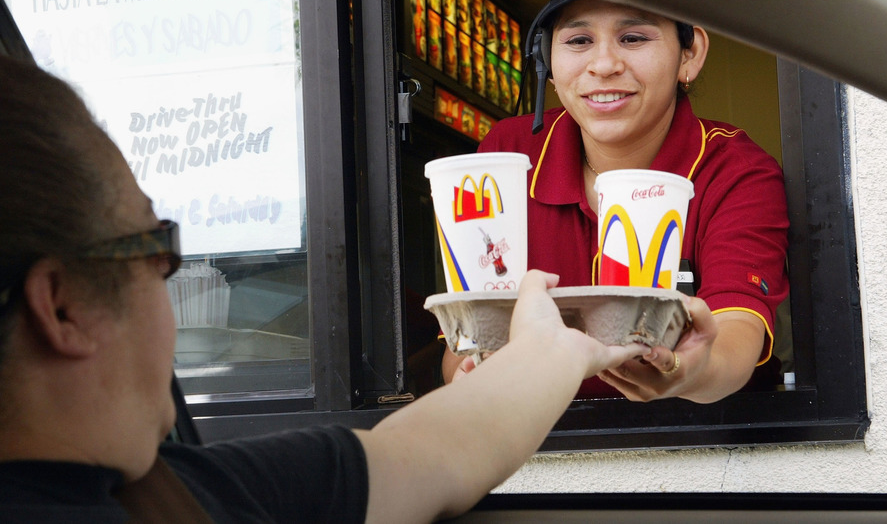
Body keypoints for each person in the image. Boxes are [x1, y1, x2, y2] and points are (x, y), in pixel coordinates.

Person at [0, 54, 680, 521]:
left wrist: (557, 344)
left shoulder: (175, 490)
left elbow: (447, 444)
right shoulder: (195, 498)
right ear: (64, 305)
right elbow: (437, 454)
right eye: (159, 246)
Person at [442, 0, 789, 403]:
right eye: (577, 41)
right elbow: (464, 341)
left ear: (690, 54)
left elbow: (735, 337)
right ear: (545, 59)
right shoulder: (510, 154)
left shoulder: (737, 170)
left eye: (633, 37)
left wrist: (688, 372)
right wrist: (470, 381)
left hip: (706, 446)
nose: (604, 65)